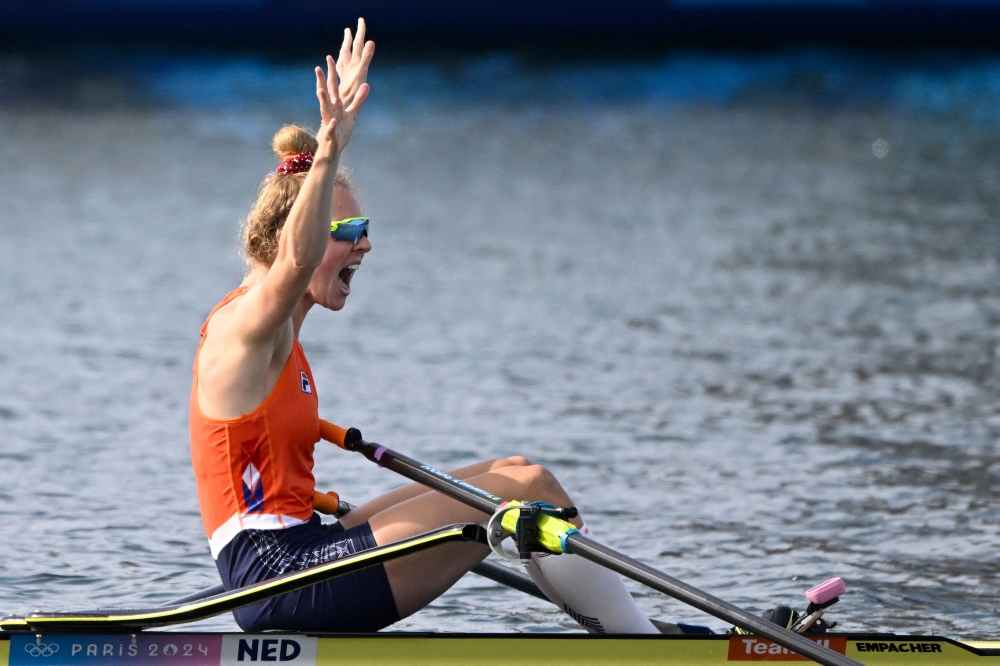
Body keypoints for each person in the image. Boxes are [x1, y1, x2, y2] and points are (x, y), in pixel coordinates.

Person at [189, 19, 658, 635]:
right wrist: (330, 145)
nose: (367, 246)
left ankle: (631, 635)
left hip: (302, 552)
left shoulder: (281, 334)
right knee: (526, 497)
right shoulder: (245, 326)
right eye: (351, 234)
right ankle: (641, 645)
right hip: (279, 582)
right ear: (291, 240)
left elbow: (303, 256)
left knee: (521, 473)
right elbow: (297, 259)